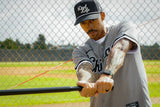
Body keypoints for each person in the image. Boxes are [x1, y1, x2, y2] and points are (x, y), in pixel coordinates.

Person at [72, 0, 152, 107]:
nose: (88, 26)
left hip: (134, 103)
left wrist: (107, 74)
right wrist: (86, 82)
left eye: (92, 20)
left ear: (103, 15)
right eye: (83, 23)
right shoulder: (81, 50)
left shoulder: (124, 28)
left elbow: (120, 48)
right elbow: (84, 68)